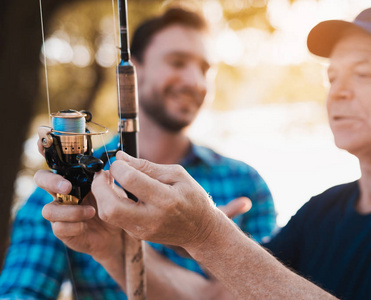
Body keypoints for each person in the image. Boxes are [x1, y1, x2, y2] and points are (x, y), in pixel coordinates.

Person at [39, 1, 371, 299]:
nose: (339, 92)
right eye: (332, 77)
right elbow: (212, 299)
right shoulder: (322, 211)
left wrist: (207, 233)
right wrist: (112, 249)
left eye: (364, 74)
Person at [0, 8, 276, 300]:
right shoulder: (66, 187)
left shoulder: (246, 183)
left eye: (204, 69)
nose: (194, 81)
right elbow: (20, 291)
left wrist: (210, 240)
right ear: (133, 70)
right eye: (177, 62)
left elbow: (272, 289)